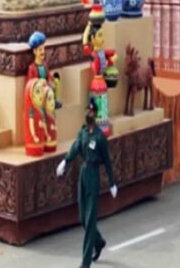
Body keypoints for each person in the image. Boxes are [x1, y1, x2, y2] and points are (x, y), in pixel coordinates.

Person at [56, 100, 118, 268]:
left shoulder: (99, 137)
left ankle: (85, 263)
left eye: (90, 112)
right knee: (83, 218)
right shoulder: (83, 133)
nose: (88, 114)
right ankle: (99, 242)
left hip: (93, 175)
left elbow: (107, 161)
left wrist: (112, 183)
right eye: (86, 111)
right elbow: (75, 148)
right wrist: (65, 161)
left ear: (95, 114)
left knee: (90, 220)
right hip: (83, 174)